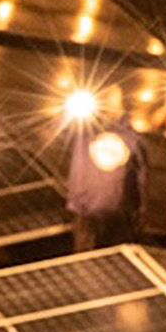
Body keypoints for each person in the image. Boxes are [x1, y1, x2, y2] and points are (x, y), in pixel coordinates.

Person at [57, 91, 138, 252]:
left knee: (113, 261)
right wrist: (69, 111)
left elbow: (139, 177)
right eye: (105, 102)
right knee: (85, 261)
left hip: (115, 213)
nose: (108, 107)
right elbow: (60, 132)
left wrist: (137, 212)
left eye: (113, 102)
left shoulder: (130, 137)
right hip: (86, 212)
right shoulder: (84, 131)